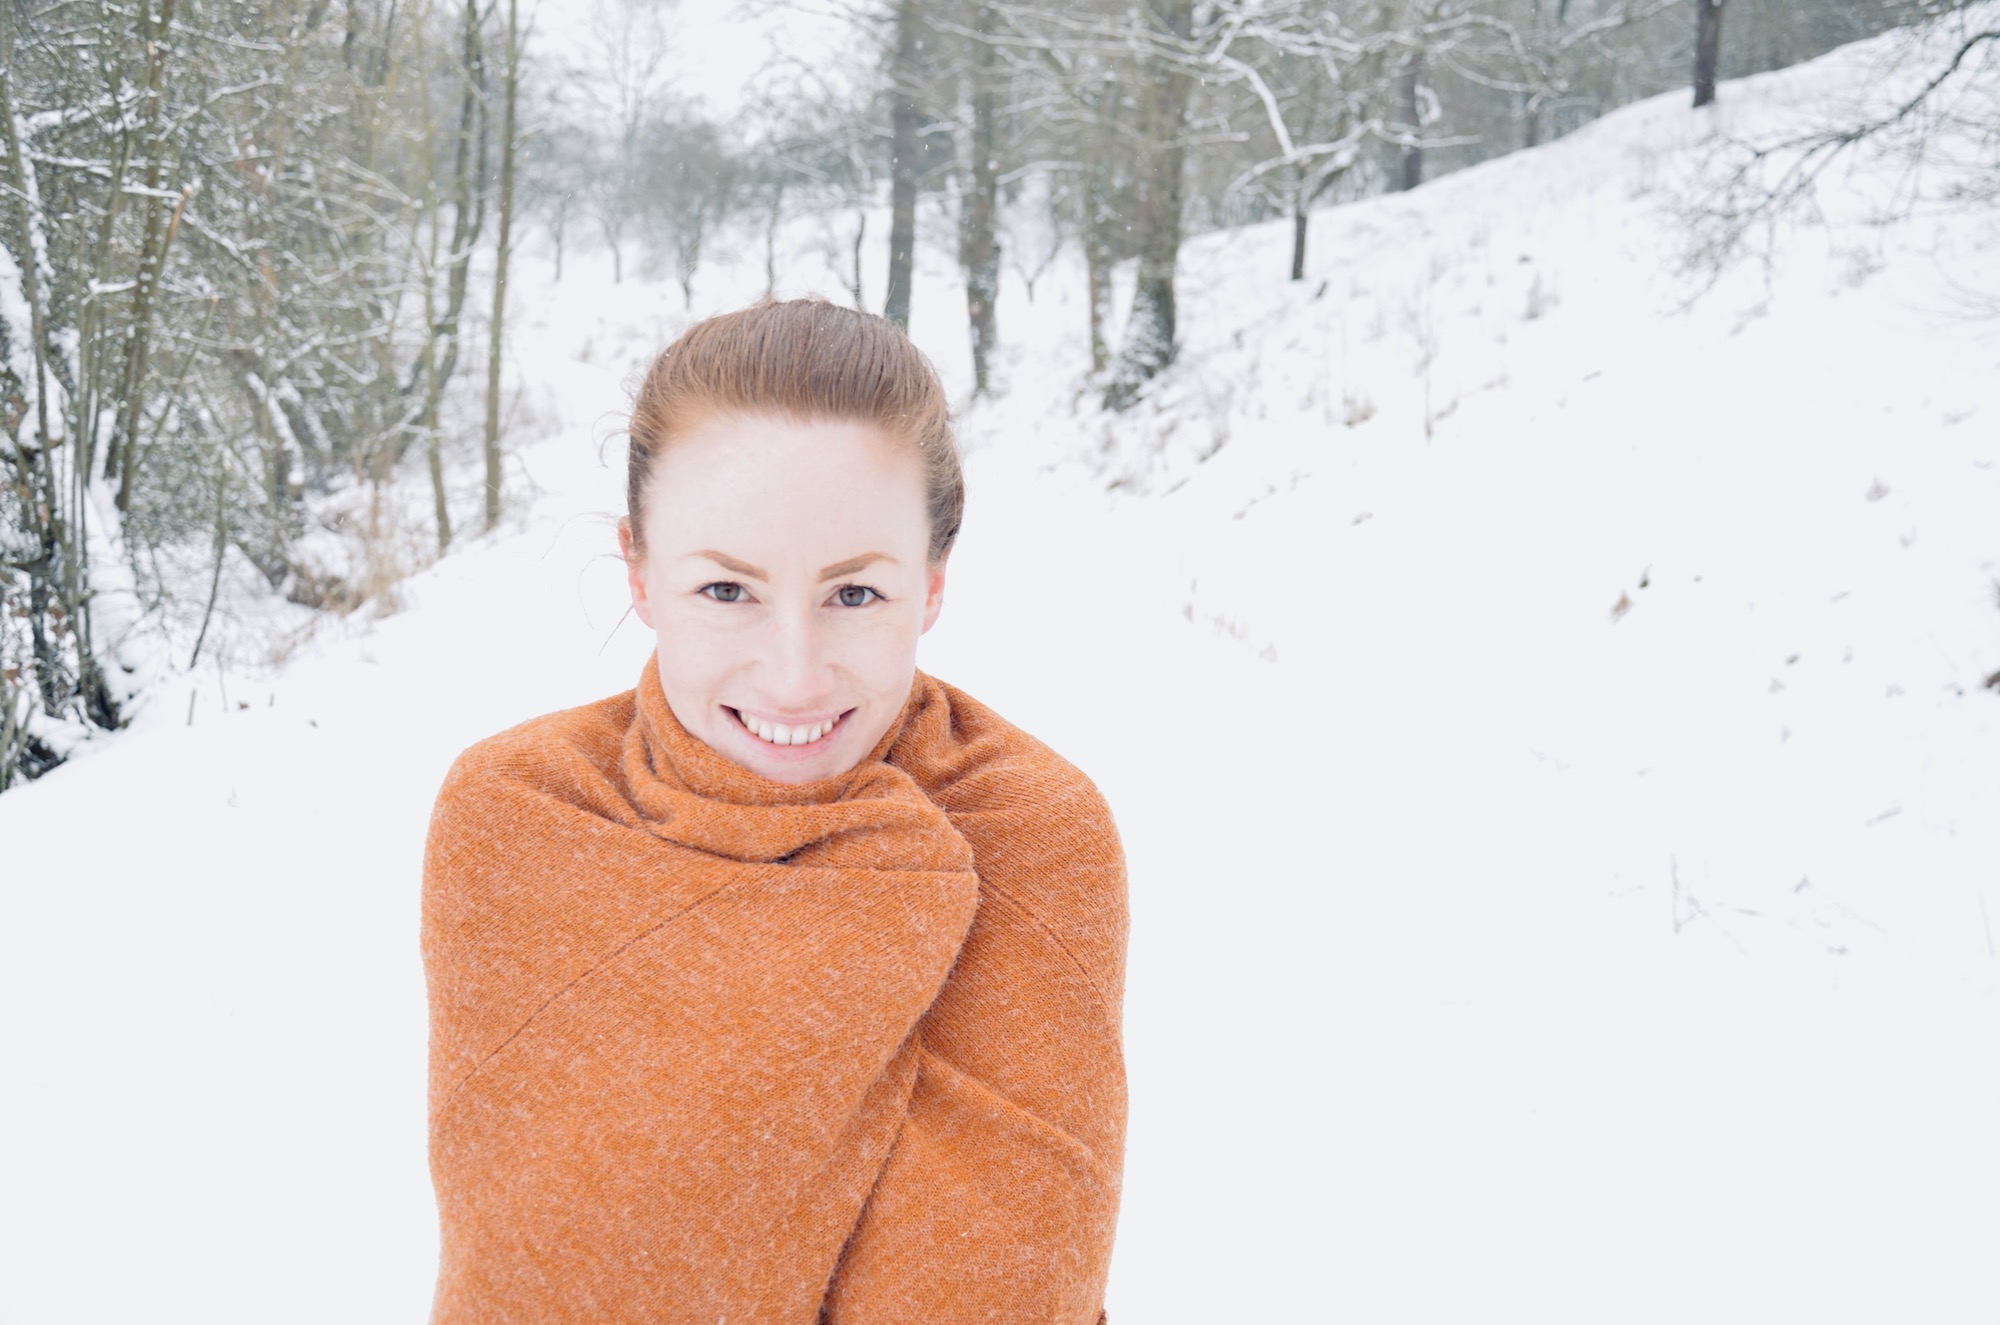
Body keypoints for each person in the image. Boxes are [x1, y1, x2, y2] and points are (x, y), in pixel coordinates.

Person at [420, 298, 1129, 1324]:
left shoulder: (1029, 830)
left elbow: (1016, 1276)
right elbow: (531, 1262)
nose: (794, 677)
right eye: (726, 591)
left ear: (931, 584)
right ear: (639, 572)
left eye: (854, 595)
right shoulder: (523, 815)